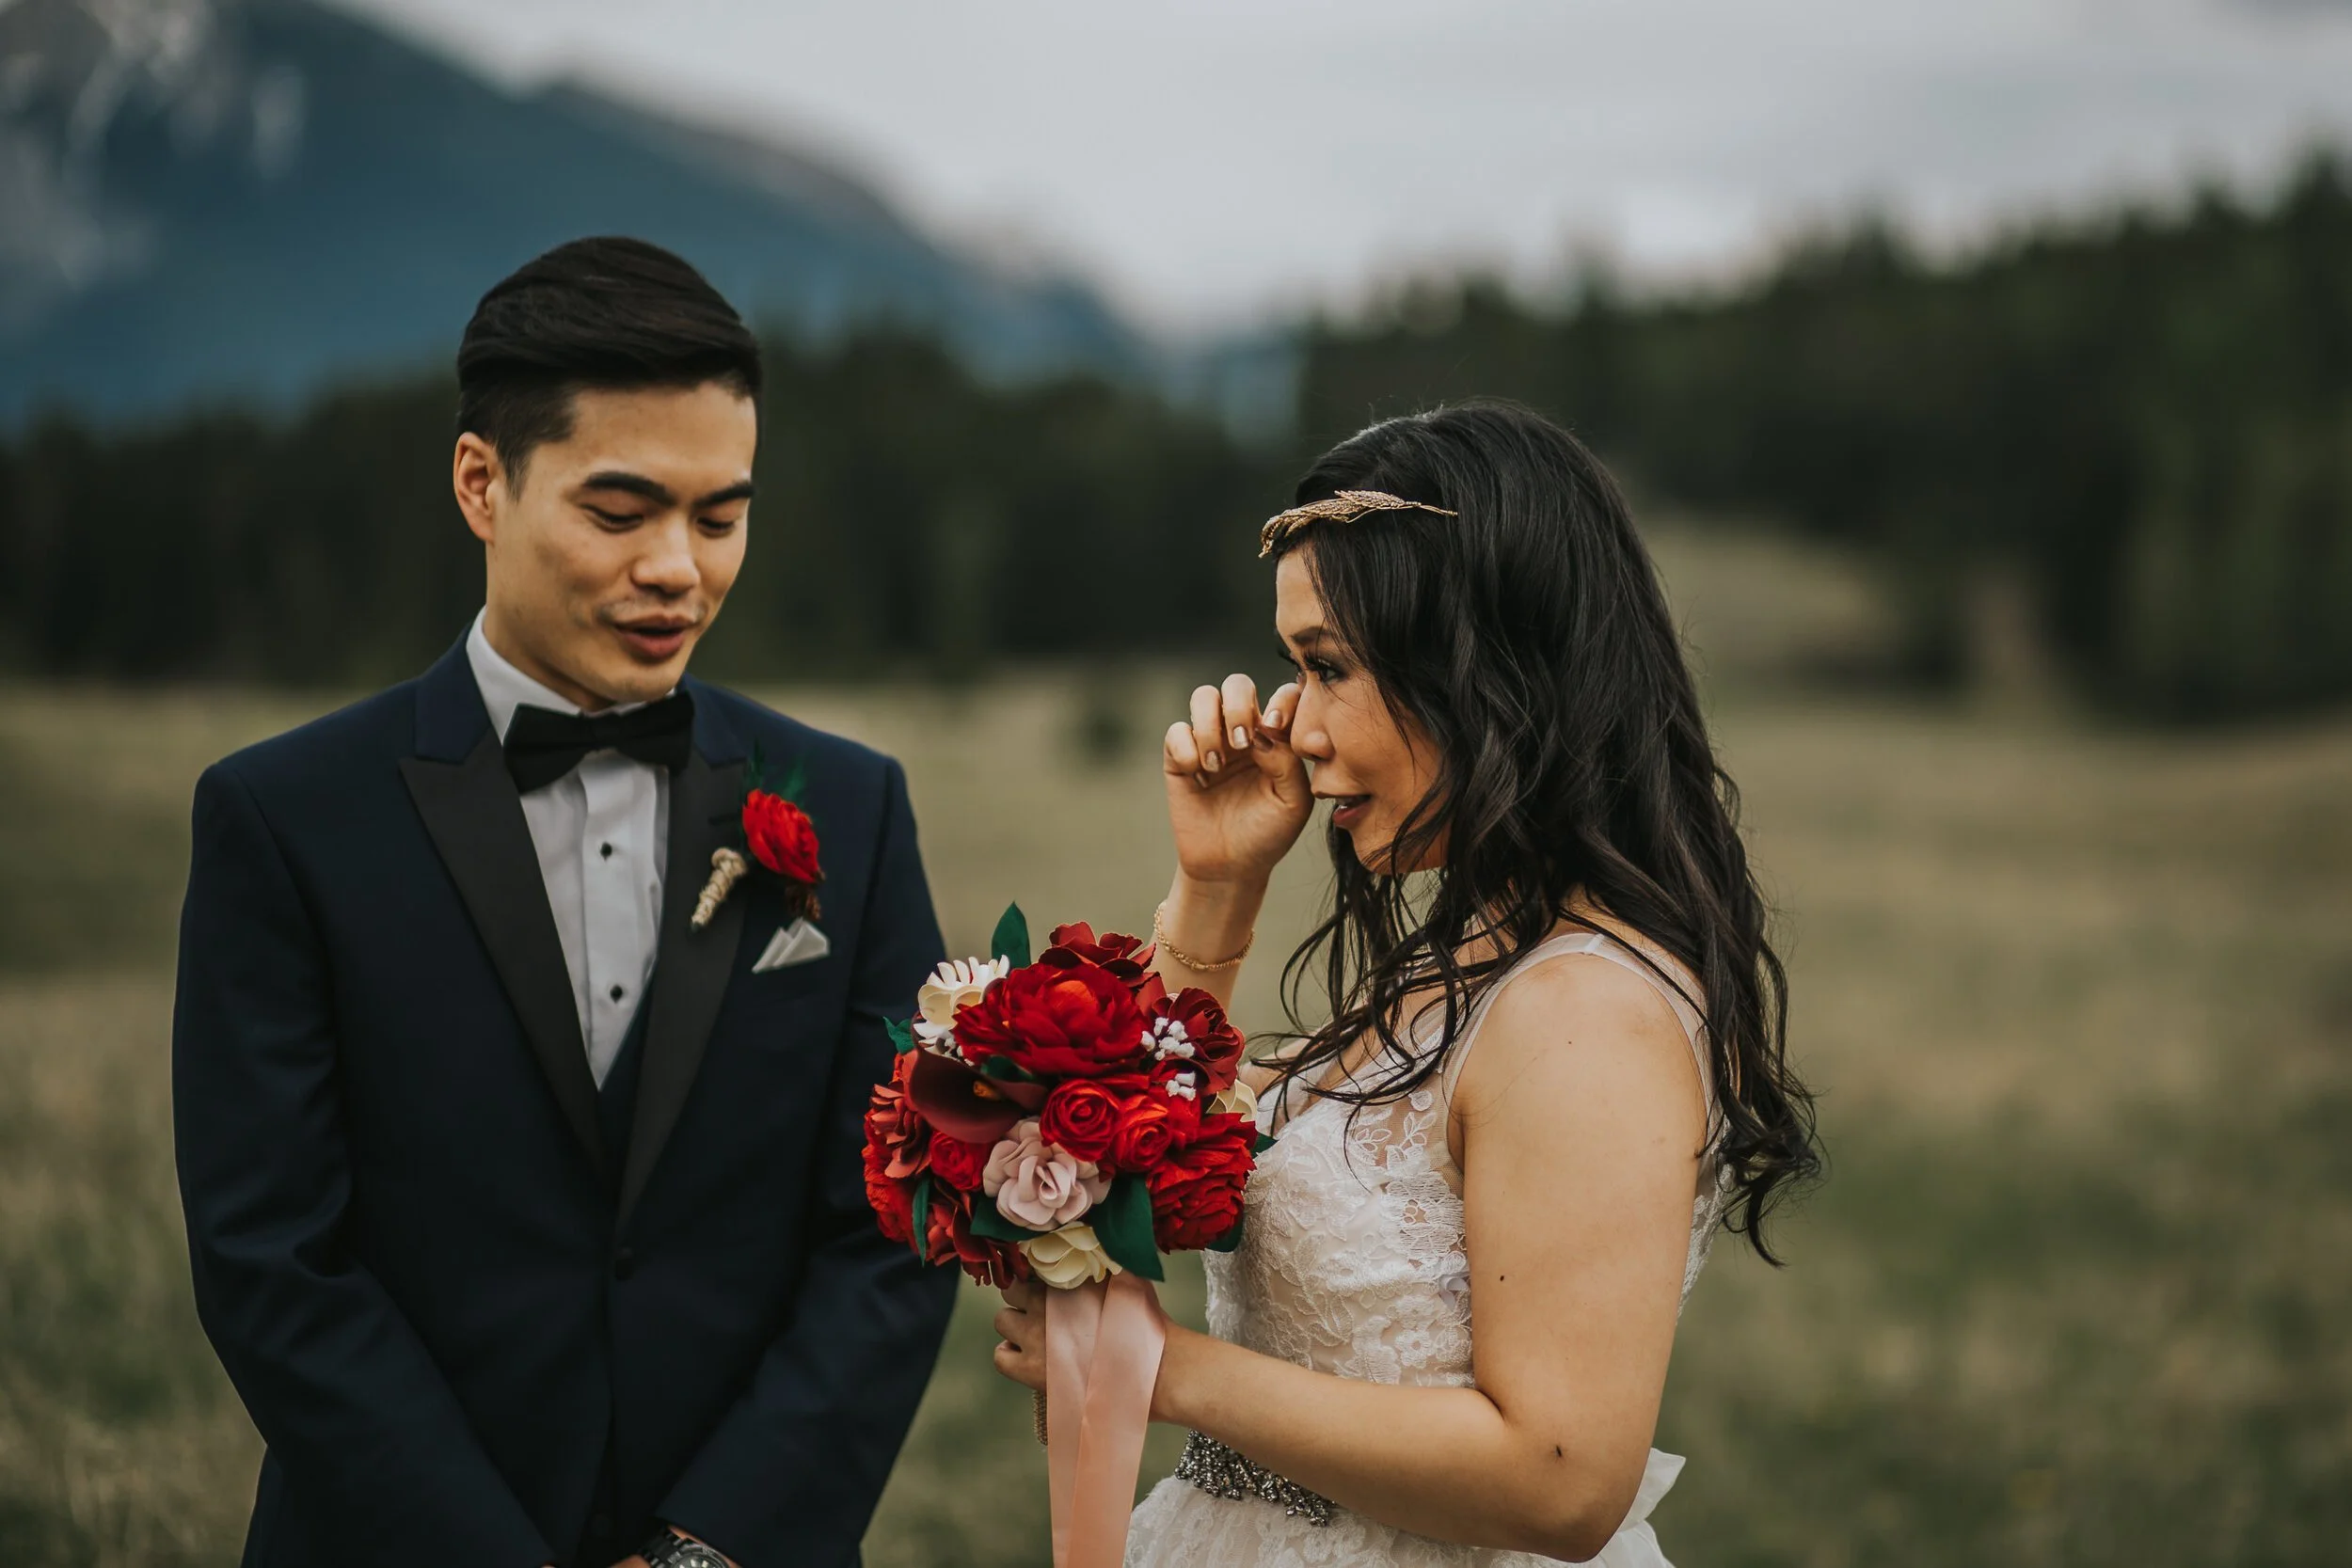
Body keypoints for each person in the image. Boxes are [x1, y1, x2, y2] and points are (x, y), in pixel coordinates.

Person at [172, 236, 957, 1568]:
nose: (678, 568)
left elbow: (898, 1221)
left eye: (720, 516)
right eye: (620, 510)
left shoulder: (852, 806)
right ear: (482, 482)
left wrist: (714, 1545)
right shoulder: (282, 818)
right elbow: (273, 1259)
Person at [989, 403, 1820, 1564]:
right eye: (1295, 667)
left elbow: (1562, 1476)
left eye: (1328, 666)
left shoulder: (1587, 1011)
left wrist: (1170, 1370)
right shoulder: (1458, 960)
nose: (1299, 727)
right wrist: (1218, 885)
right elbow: (1136, 1160)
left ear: (1481, 665)